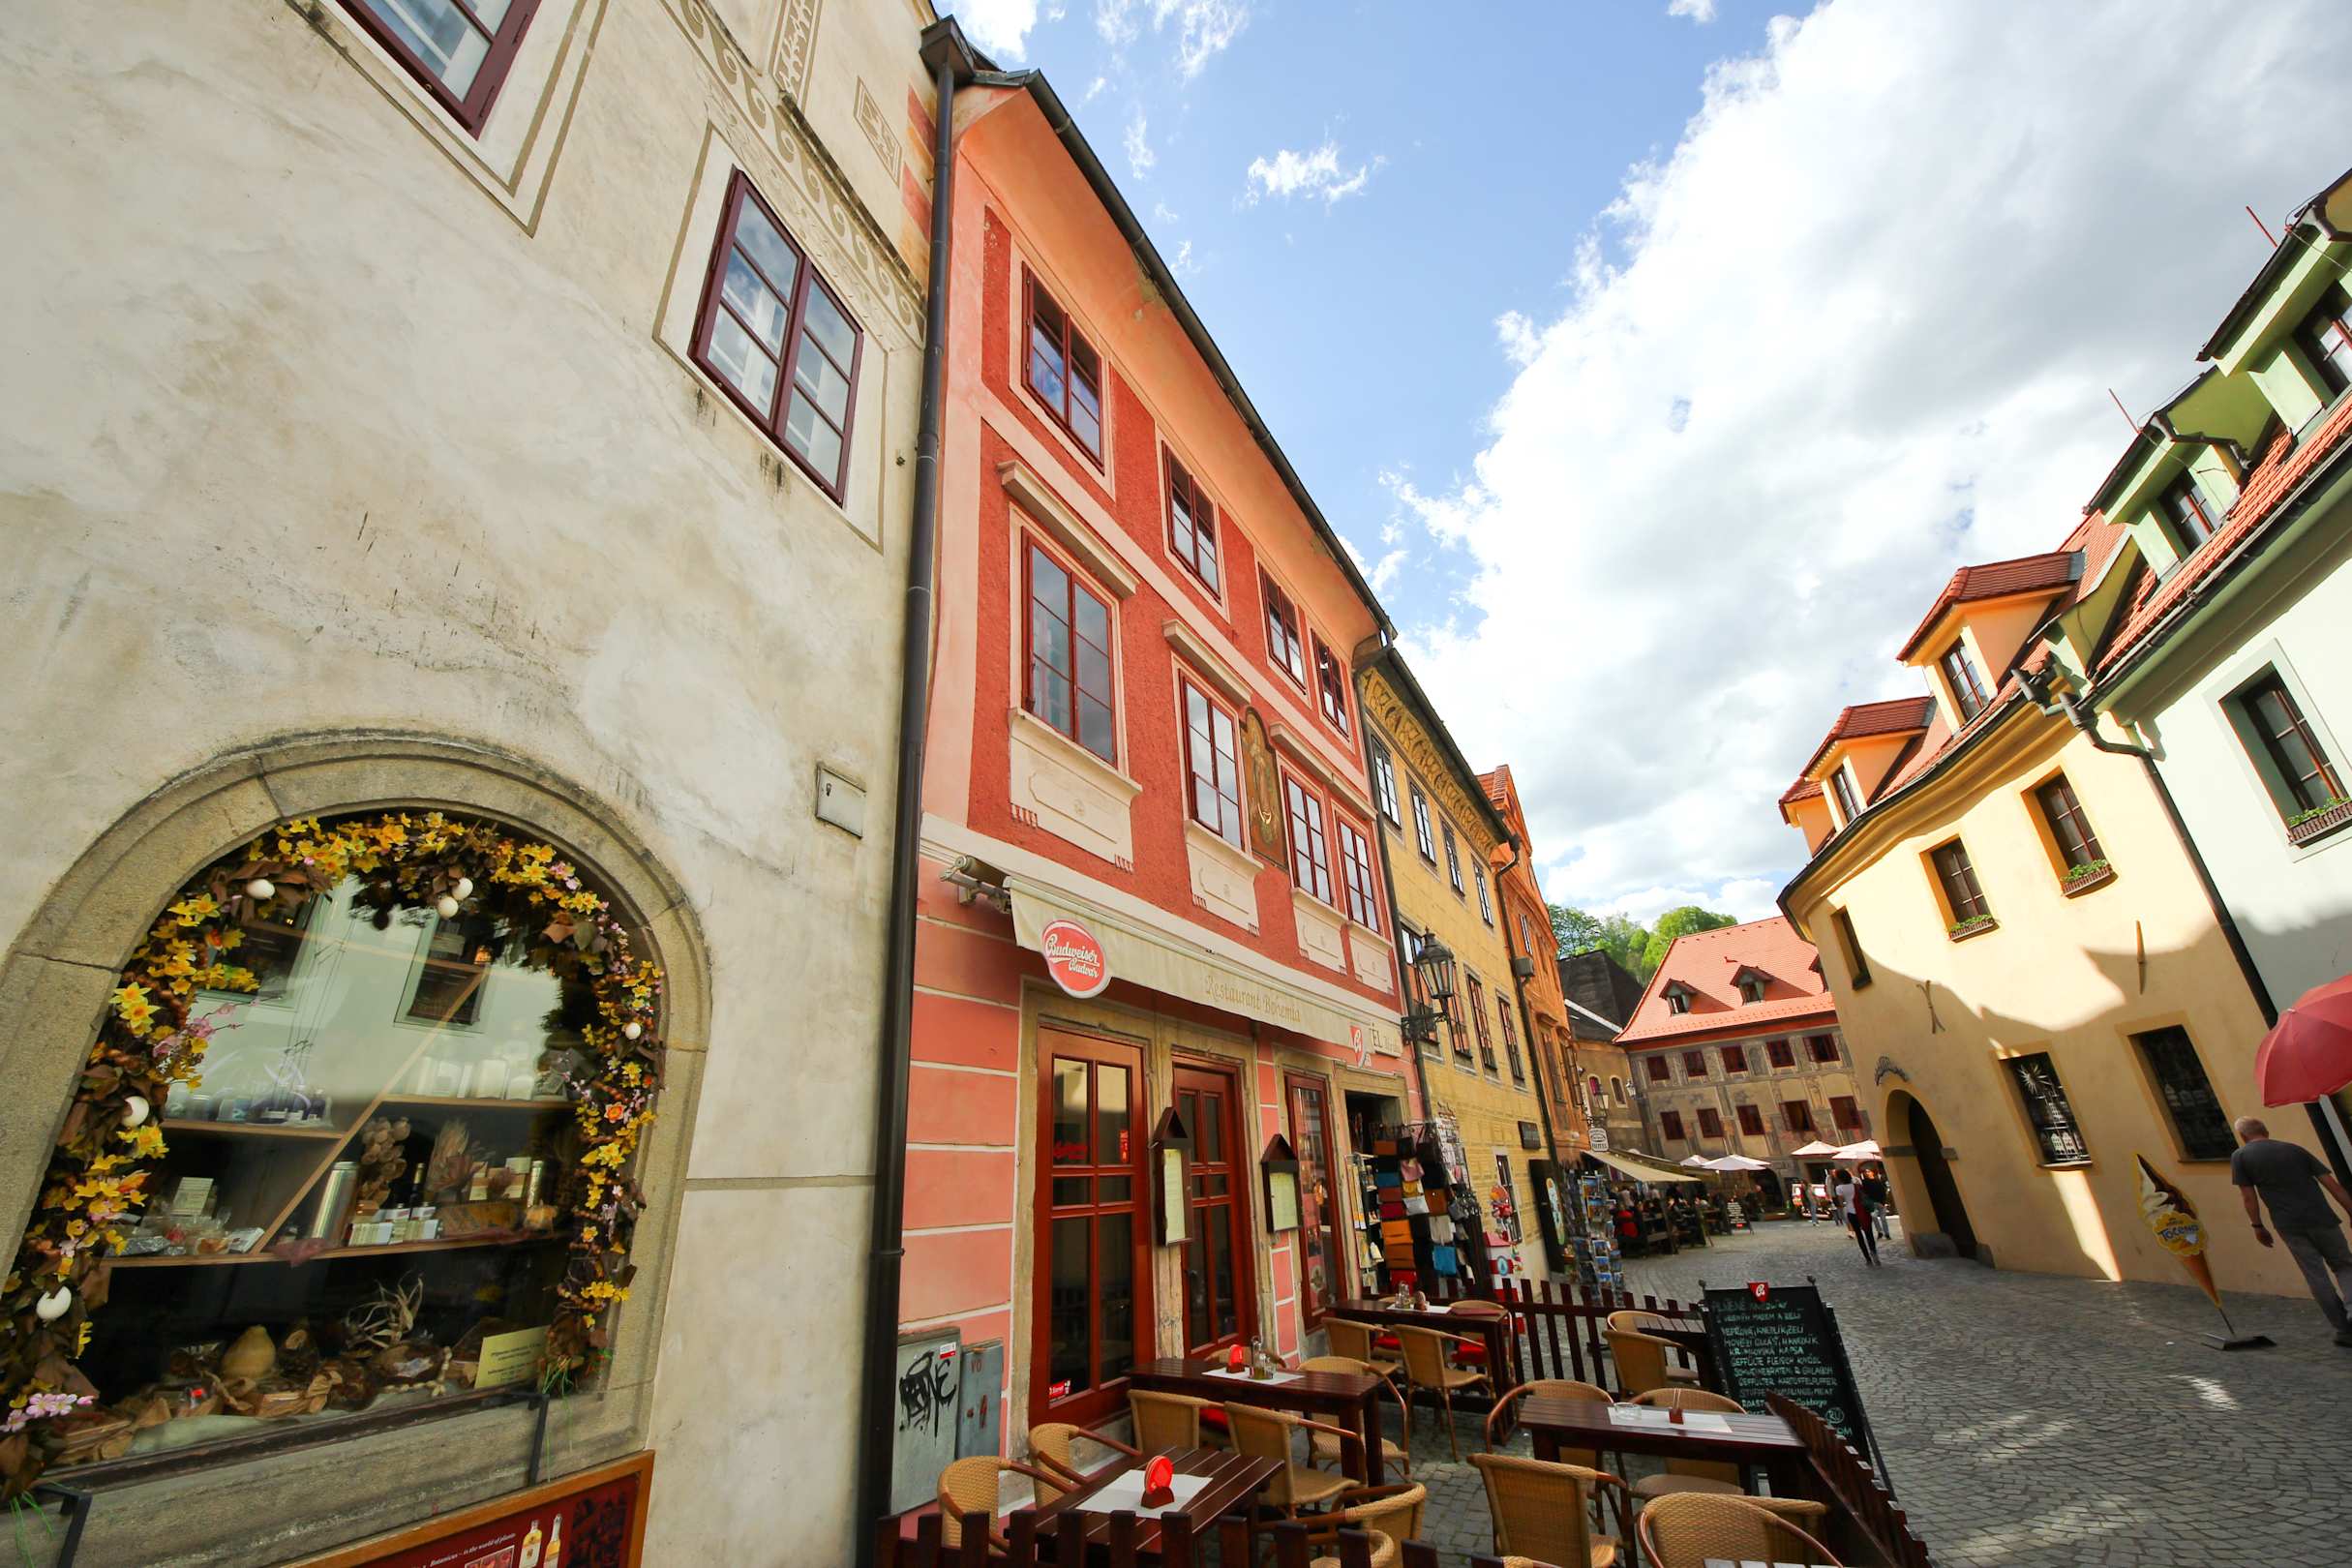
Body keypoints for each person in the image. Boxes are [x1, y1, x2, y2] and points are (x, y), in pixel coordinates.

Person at [2231, 1116, 2352, 1347]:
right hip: (2322, 1218)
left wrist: (2257, 1226)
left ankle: (2344, 1330)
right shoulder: (2295, 1150)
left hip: (2289, 1224)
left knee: (2315, 1275)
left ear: (2243, 1136)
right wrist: (2350, 1210)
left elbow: (2248, 1197)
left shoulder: (2241, 1156)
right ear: (2266, 1130)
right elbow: (2332, 1184)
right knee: (2344, 1265)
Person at [1833, 1168, 1879, 1266]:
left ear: (1839, 1178)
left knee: (1859, 1235)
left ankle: (1867, 1258)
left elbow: (1841, 1202)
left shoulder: (1839, 1188)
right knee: (1869, 1233)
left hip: (1851, 1213)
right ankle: (1874, 1253)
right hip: (1863, 1211)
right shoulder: (1857, 1185)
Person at [1859, 1167, 1893, 1240]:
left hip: (1880, 1202)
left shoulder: (1878, 1181)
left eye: (1869, 1171)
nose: (1867, 1173)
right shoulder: (1864, 1182)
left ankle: (1887, 1233)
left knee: (1883, 1219)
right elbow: (1863, 1193)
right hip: (1872, 1203)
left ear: (1872, 1173)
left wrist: (1883, 1202)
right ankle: (1879, 1232)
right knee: (1874, 1218)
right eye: (1866, 1172)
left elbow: (1883, 1192)